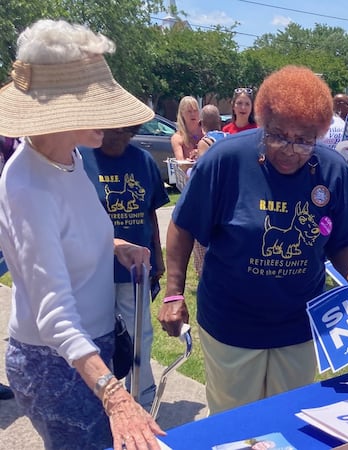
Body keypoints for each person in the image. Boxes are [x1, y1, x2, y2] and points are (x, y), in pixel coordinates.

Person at [158, 65, 348, 415]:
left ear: (320, 134)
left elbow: (341, 241)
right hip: (231, 323)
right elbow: (183, 225)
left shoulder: (333, 171)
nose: (291, 149)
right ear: (263, 122)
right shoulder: (224, 161)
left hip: (299, 323)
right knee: (235, 426)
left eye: (304, 140)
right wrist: (174, 292)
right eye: (279, 135)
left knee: (287, 419)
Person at [0, 19, 165, 449]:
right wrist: (115, 396)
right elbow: (53, 316)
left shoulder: (70, 157)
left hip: (90, 351)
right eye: (95, 105)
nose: (111, 121)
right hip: (57, 365)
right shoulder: (27, 185)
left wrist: (113, 246)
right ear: (55, 109)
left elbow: (63, 235)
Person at [80, 125, 170, 410]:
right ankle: (101, 397)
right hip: (93, 269)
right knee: (97, 335)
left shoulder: (142, 160)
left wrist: (158, 256)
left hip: (136, 268)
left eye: (128, 133)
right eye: (115, 131)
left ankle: (141, 397)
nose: (121, 137)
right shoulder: (80, 159)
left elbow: (150, 214)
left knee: (139, 333)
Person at [191, 104, 229, 276]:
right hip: (229, 198)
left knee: (201, 239)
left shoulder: (204, 143)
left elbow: (204, 173)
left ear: (201, 124)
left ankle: (203, 272)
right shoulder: (229, 138)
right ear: (220, 122)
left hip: (211, 197)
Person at [171, 95, 203, 161]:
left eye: (195, 111)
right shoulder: (177, 138)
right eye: (189, 111)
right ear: (182, 113)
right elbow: (181, 163)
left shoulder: (205, 132)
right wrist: (188, 162)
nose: (193, 114)